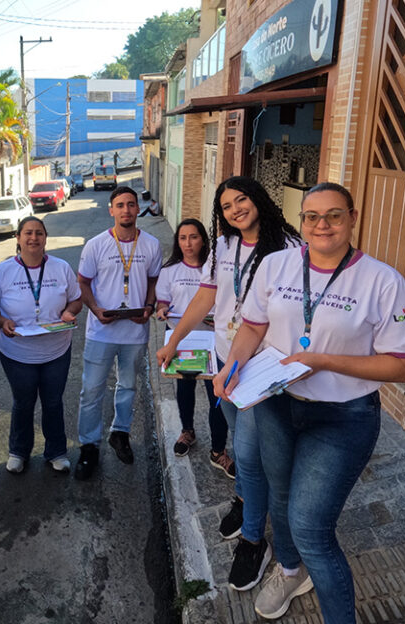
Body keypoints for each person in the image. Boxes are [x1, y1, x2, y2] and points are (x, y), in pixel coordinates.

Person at [219, 182, 405, 622]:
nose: (322, 225)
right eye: (311, 216)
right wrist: (231, 366)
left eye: (334, 215)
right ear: (302, 222)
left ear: (353, 217)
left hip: (342, 419)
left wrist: (324, 361)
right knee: (280, 498)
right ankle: (290, 572)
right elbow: (252, 327)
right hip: (276, 403)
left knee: (311, 527)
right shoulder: (276, 266)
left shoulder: (383, 281)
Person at [157, 176, 301, 593]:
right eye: (226, 206)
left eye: (242, 200)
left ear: (258, 200)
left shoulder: (288, 249)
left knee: (252, 454)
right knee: (239, 443)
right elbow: (207, 296)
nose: (235, 209)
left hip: (259, 367)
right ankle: (244, 500)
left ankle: (254, 538)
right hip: (226, 359)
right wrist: (175, 340)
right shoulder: (223, 247)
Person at [75, 185, 163, 480]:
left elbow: (153, 281)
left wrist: (149, 306)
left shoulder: (151, 244)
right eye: (120, 205)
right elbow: (83, 283)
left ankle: (120, 432)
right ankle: (89, 446)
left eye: (131, 204)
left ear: (139, 209)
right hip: (101, 331)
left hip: (135, 333)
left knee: (128, 386)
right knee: (92, 390)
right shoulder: (96, 245)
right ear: (111, 210)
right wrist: (96, 309)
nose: (126, 210)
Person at [0, 216, 83, 474]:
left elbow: (76, 300)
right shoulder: (2, 272)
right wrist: (3, 322)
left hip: (56, 350)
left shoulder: (61, 267)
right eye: (28, 233)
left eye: (39, 233)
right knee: (23, 402)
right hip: (17, 352)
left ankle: (56, 451)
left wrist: (69, 313)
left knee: (53, 402)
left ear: (45, 238)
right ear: (17, 238)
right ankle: (18, 451)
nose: (33, 238)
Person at [154, 219, 229, 466]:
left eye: (194, 237)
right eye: (183, 238)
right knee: (184, 390)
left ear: (203, 240)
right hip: (180, 341)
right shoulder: (169, 270)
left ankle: (218, 450)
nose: (188, 243)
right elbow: (163, 302)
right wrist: (162, 309)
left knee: (216, 394)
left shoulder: (216, 268)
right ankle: (188, 432)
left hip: (211, 340)